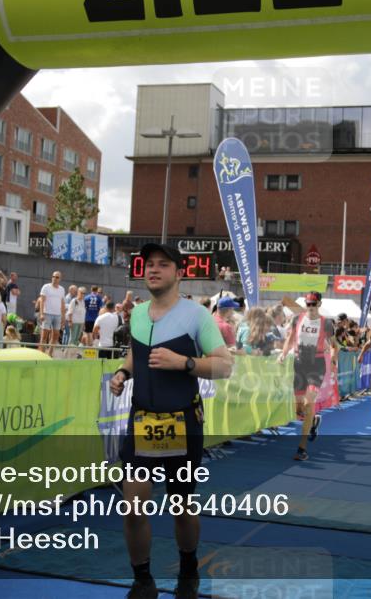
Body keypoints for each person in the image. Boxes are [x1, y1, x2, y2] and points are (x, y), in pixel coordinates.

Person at [107, 243, 232, 599]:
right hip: (143, 419)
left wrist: (184, 363)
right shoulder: (138, 313)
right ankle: (142, 580)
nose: (153, 269)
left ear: (179, 273)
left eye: (163, 264)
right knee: (133, 508)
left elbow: (225, 366)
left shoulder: (196, 315)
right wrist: (123, 372)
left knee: (181, 506)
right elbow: (136, 353)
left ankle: (189, 567)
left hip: (183, 421)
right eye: (149, 264)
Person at [278, 291, 336, 460]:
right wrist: (283, 353)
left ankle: (301, 449)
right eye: (308, 304)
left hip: (316, 365)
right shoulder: (297, 319)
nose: (310, 307)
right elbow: (290, 339)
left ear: (319, 304)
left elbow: (334, 345)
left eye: (313, 304)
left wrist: (333, 359)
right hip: (299, 364)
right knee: (298, 409)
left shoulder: (326, 323)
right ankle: (314, 421)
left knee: (308, 403)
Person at [37, 271, 66, 356]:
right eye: (53, 276)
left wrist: (63, 316)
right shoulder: (46, 287)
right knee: (44, 335)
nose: (54, 278)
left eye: (57, 277)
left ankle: (49, 354)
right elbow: (42, 301)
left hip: (58, 315)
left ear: (60, 279)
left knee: (56, 336)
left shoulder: (62, 289)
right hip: (47, 313)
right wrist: (41, 313)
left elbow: (62, 303)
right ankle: (41, 355)